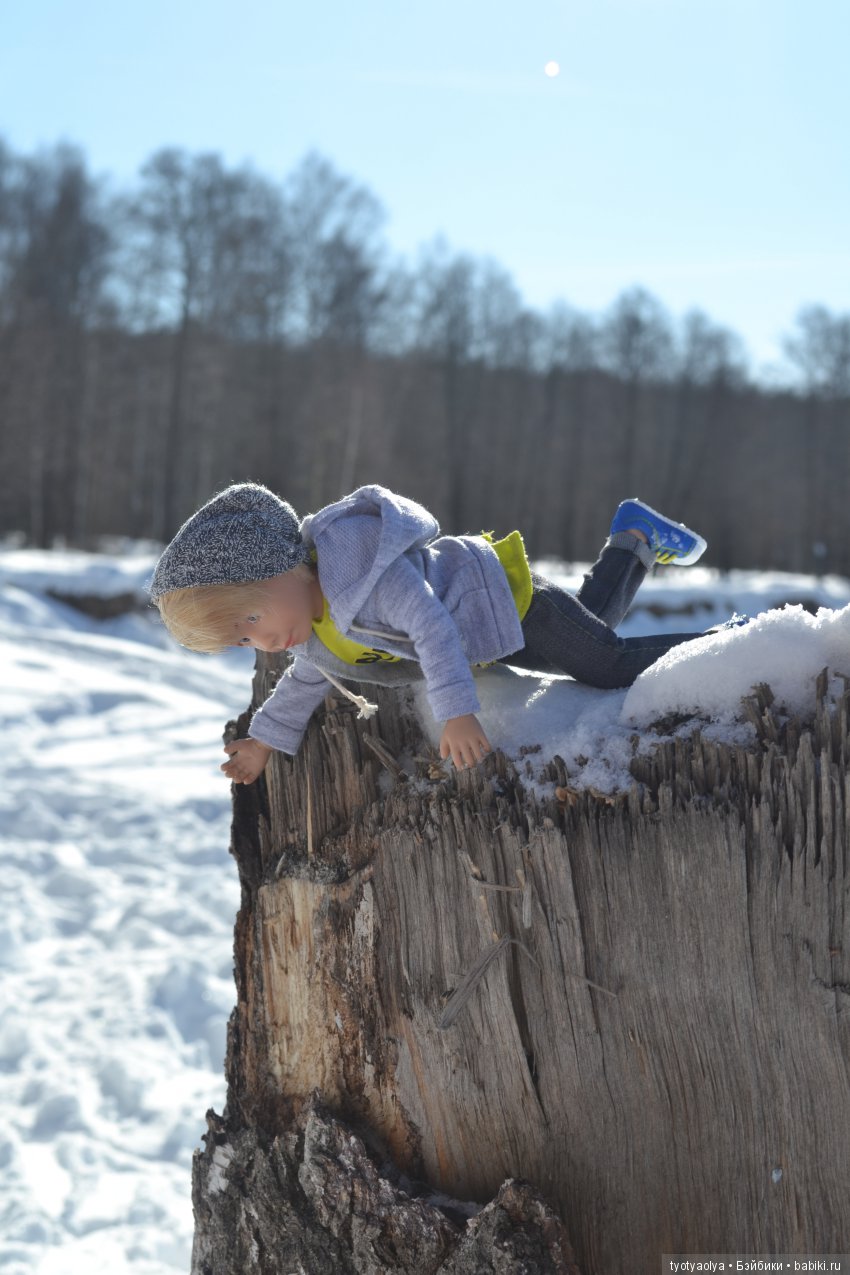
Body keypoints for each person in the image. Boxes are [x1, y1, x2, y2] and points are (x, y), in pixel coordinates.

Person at [149, 483, 709, 784]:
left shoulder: (364, 574)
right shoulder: (313, 628)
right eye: (242, 641)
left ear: (279, 569)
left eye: (251, 620)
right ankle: (634, 537)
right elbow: (304, 681)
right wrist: (264, 741)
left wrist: (457, 711)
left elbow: (431, 626)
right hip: (492, 633)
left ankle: (735, 644)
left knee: (604, 663)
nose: (263, 642)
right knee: (593, 626)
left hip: (508, 602)